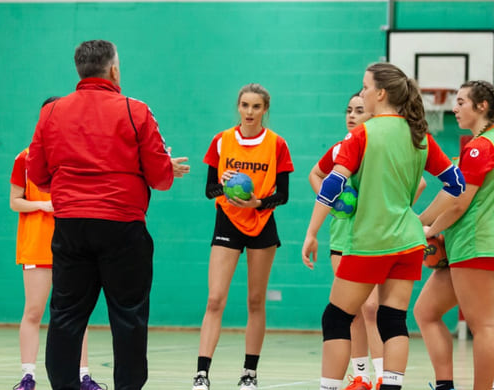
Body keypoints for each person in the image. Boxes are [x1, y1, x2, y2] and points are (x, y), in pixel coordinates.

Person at [27, 39, 189, 390]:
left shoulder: (51, 112)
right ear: (114, 70)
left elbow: (37, 175)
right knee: (128, 317)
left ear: (79, 70)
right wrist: (158, 166)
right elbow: (161, 179)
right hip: (122, 226)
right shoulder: (136, 110)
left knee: (66, 317)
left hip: (70, 226)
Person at [301, 62, 465, 390]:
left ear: (380, 93)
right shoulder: (420, 136)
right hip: (407, 241)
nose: (361, 93)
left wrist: (311, 232)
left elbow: (332, 185)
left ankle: (329, 387)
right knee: (393, 320)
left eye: (364, 87)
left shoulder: (362, 134)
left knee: (336, 317)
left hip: (370, 241)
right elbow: (456, 184)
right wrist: (420, 220)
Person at [192, 83, 293, 390]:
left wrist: (257, 202)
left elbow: (284, 195)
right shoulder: (221, 141)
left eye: (256, 107)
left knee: (255, 300)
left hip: (261, 223)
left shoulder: (276, 144)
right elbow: (210, 190)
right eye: (245, 105)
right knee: (214, 299)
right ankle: (201, 374)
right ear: (238, 106)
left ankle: (249, 373)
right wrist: (225, 186)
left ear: (265, 110)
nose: (250, 112)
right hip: (227, 222)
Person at [10, 97, 104, 390]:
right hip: (36, 244)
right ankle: (28, 376)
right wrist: (43, 206)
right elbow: (15, 202)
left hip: (72, 244)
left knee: (77, 312)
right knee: (34, 311)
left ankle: (83, 374)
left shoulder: (76, 156)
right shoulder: (24, 158)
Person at [415, 80, 494, 390]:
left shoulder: (480, 146)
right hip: (464, 245)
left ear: (482, 106)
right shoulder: (480, 146)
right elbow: (451, 196)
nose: (454, 107)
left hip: (476, 244)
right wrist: (421, 224)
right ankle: (446, 385)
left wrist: (428, 232)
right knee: (426, 311)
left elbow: (460, 203)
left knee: (483, 324)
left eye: (461, 102)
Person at [307, 92, 384, 390]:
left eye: (360, 110)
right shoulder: (340, 148)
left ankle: (381, 377)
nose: (352, 115)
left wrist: (378, 208)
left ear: (373, 114)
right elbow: (316, 174)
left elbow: (419, 184)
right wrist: (333, 199)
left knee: (372, 308)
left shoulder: (378, 148)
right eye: (349, 110)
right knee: (349, 309)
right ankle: (361, 376)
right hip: (341, 239)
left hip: (373, 239)